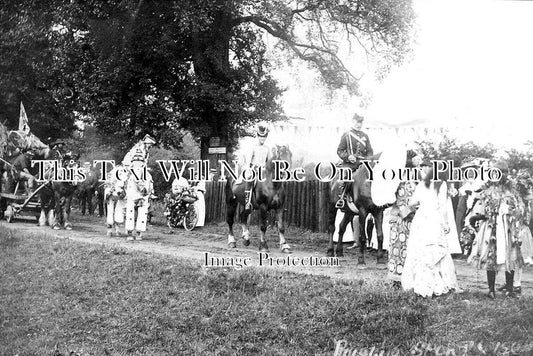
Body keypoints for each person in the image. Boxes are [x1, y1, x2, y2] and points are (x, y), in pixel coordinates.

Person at [467, 160, 524, 299]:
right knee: (490, 255)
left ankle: (509, 288)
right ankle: (491, 289)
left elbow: (519, 208)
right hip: (491, 227)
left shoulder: (511, 191)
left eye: (503, 172)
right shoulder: (487, 190)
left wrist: (512, 213)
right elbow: (481, 208)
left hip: (507, 227)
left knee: (509, 255)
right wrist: (477, 217)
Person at [401, 166, 460, 297]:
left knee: (420, 249)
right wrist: (446, 223)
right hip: (434, 219)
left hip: (421, 218)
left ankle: (418, 283)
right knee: (435, 249)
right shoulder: (441, 184)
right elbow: (442, 206)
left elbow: (412, 202)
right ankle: (438, 284)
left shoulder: (422, 183)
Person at [387, 150, 422, 286]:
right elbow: (400, 199)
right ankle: (397, 279)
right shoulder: (400, 177)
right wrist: (409, 211)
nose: (418, 161)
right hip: (402, 217)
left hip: (414, 216)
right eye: (415, 159)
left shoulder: (417, 177)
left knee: (411, 248)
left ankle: (411, 278)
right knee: (398, 247)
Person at [336, 112, 373, 209]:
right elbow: (340, 151)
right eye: (357, 122)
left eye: (361, 122)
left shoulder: (365, 136)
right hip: (350, 164)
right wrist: (348, 157)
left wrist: (368, 159)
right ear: (353, 121)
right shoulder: (346, 135)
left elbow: (370, 151)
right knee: (345, 178)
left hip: (363, 164)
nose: (359, 124)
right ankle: (342, 198)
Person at [238, 124, 270, 212]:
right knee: (250, 181)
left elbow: (268, 161)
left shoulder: (267, 148)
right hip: (254, 168)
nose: (262, 139)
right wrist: (248, 169)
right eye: (261, 137)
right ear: (258, 136)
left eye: (264, 137)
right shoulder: (253, 147)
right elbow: (248, 160)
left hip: (263, 170)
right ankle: (247, 202)